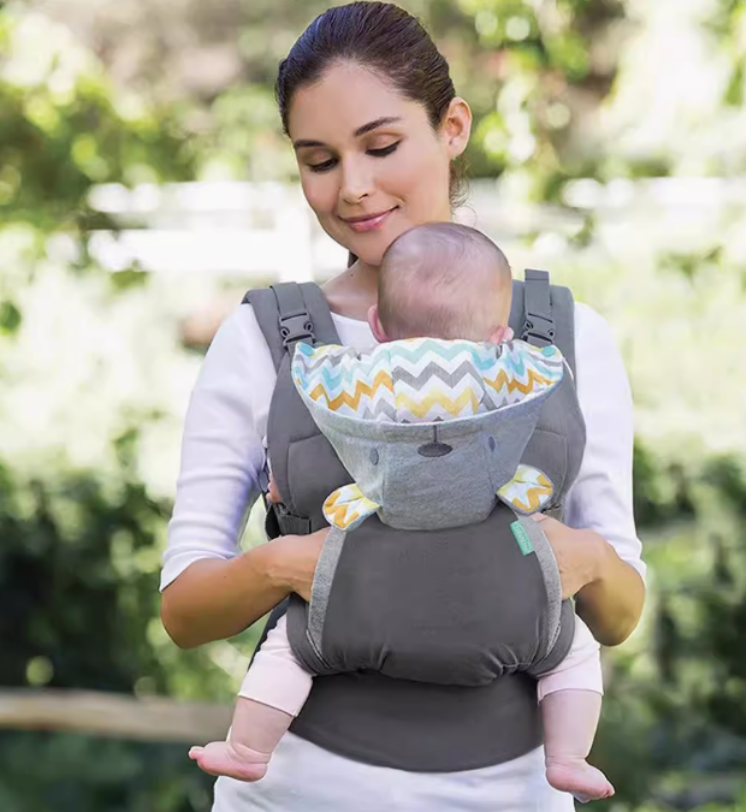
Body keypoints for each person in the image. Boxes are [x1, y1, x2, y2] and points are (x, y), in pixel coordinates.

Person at [160, 4, 646, 810]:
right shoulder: (265, 340)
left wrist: (589, 559)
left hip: (515, 793)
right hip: (300, 791)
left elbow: (621, 611)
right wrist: (285, 564)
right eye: (319, 160)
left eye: (382, 147)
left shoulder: (565, 338)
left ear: (452, 126)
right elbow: (184, 609)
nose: (353, 187)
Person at [188, 223, 613, 803]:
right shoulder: (525, 365)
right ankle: (569, 759)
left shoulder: (349, 375)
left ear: (379, 330)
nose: (357, 186)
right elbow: (546, 379)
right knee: (575, 652)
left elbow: (310, 376)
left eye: (382, 145)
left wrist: (285, 555)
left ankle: (247, 749)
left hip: (351, 588)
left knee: (289, 648)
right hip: (515, 593)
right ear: (499, 333)